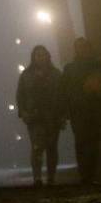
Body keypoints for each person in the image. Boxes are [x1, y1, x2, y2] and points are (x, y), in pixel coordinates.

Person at [61, 36, 101, 185]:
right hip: (78, 111)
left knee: (93, 142)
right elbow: (63, 91)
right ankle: (85, 174)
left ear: (89, 48)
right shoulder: (70, 68)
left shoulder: (99, 67)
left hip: (95, 110)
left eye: (84, 46)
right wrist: (66, 110)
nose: (82, 49)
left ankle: (90, 174)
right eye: (79, 47)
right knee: (81, 142)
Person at [16, 45, 65, 186]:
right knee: (37, 147)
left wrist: (63, 115)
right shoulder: (26, 75)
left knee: (51, 147)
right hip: (34, 116)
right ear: (33, 57)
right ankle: (37, 177)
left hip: (52, 115)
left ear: (47, 56)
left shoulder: (56, 75)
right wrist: (23, 112)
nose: (40, 57)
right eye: (37, 55)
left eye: (42, 54)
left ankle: (51, 177)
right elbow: (20, 96)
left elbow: (63, 95)